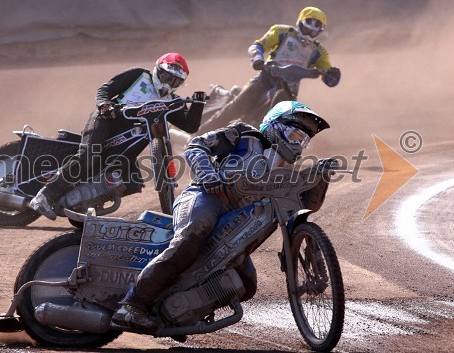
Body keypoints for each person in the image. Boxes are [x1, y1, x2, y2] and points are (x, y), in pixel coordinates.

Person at [111, 100, 330, 330]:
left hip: (238, 225)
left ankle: (179, 313)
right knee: (193, 235)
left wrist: (320, 176)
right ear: (276, 126)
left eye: (303, 141)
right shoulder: (244, 135)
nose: (298, 145)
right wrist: (208, 175)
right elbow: (197, 146)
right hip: (206, 196)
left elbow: (305, 207)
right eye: (295, 135)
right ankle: (132, 305)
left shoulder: (288, 171)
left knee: (247, 285)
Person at [29, 52, 206, 220]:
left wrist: (198, 104)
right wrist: (104, 105)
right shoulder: (139, 76)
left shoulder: (170, 101)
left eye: (175, 81)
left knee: (133, 182)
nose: (168, 84)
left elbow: (190, 126)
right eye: (167, 77)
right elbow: (105, 89)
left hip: (127, 140)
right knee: (88, 157)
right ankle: (44, 196)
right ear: (157, 70)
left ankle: (82, 202)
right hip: (106, 122)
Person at [208, 6, 341, 128]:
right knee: (236, 108)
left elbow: (328, 76)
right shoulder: (282, 32)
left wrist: (333, 75)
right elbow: (257, 45)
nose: (309, 33)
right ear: (300, 23)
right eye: (307, 28)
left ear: (320, 32)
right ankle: (197, 137)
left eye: (313, 31)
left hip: (290, 89)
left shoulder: (319, 52)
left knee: (291, 123)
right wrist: (257, 59)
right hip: (265, 80)